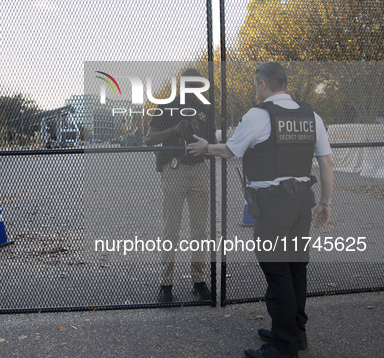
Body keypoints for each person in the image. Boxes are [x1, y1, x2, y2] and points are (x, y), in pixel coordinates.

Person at [187, 62, 334, 358]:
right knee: (295, 268)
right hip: (303, 202)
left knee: (277, 271)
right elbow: (326, 163)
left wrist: (205, 147)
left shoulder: (258, 115)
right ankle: (295, 332)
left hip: (273, 204)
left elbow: (230, 150)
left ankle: (284, 345)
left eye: (256, 85)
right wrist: (326, 203)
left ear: (263, 84)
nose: (256, 90)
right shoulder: (311, 115)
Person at [143, 68, 215, 303]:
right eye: (191, 86)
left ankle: (199, 281)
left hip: (200, 169)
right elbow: (148, 139)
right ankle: (166, 285)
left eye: (198, 86)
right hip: (175, 169)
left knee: (199, 231)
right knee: (171, 230)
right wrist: (175, 129)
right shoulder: (167, 106)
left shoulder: (204, 108)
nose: (195, 91)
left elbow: (212, 141)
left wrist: (208, 146)